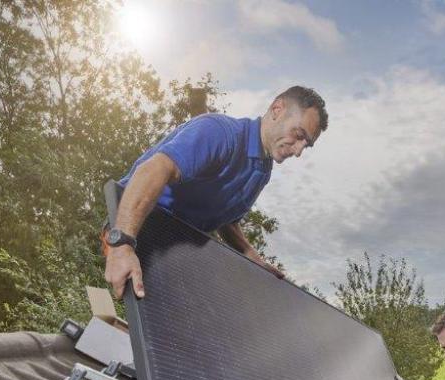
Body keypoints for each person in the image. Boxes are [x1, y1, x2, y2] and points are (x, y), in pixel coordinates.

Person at [103, 85, 328, 299]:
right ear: (277, 110)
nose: (298, 151)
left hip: (178, 248)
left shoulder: (262, 171)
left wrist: (250, 254)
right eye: (298, 135)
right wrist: (121, 244)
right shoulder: (219, 132)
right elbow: (152, 170)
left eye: (306, 145)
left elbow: (225, 218)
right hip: (135, 227)